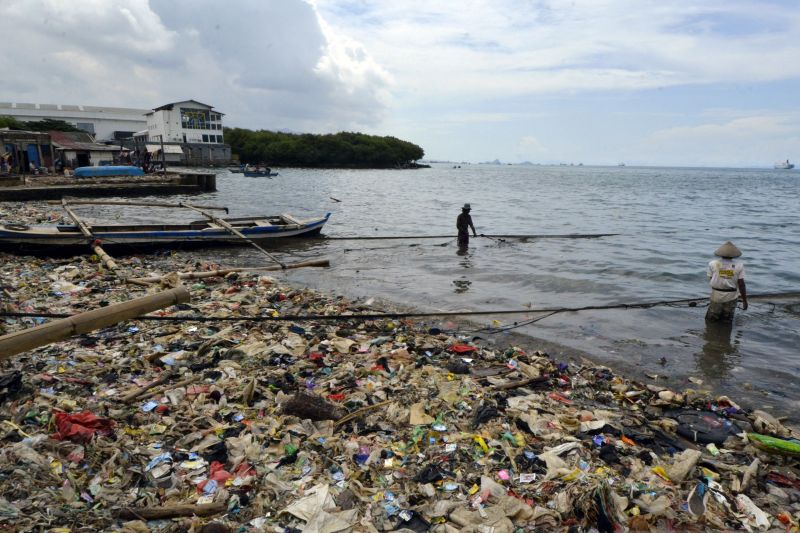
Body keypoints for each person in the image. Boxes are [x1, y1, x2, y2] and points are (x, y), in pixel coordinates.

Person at [706, 241, 748, 322]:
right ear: (733, 255)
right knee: (727, 320)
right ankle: (725, 333)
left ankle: (711, 333)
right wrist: (744, 301)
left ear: (720, 253)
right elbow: (741, 284)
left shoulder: (712, 263)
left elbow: (711, 278)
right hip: (731, 296)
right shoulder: (739, 265)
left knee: (711, 319)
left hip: (716, 295)